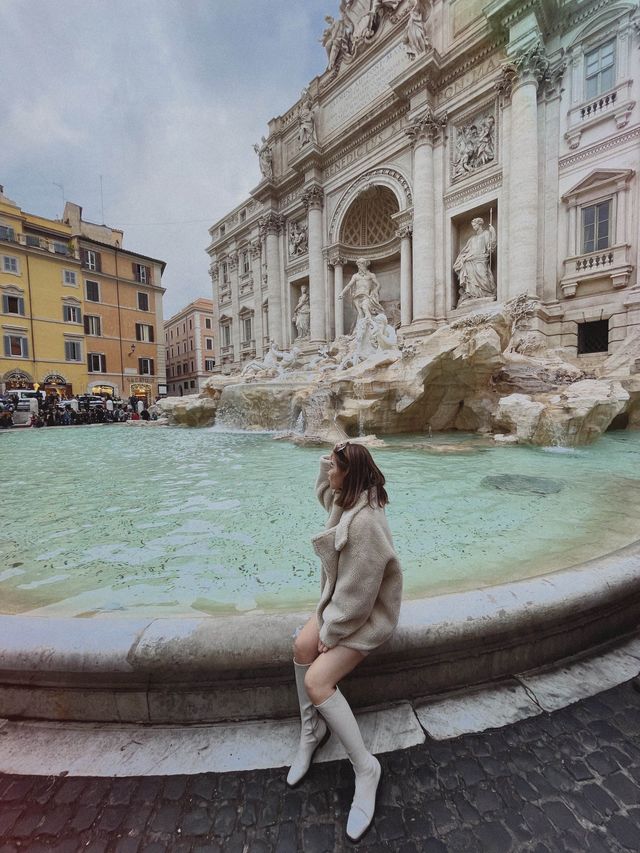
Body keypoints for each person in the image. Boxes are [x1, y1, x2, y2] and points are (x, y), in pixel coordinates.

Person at [287, 442, 402, 842]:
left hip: (367, 620)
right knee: (301, 647)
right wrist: (334, 454)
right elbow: (325, 491)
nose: (328, 474)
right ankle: (311, 733)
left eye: (334, 468)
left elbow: (359, 600)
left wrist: (331, 634)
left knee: (317, 681)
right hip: (339, 607)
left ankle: (366, 767)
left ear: (349, 476)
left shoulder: (366, 523)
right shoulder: (348, 498)